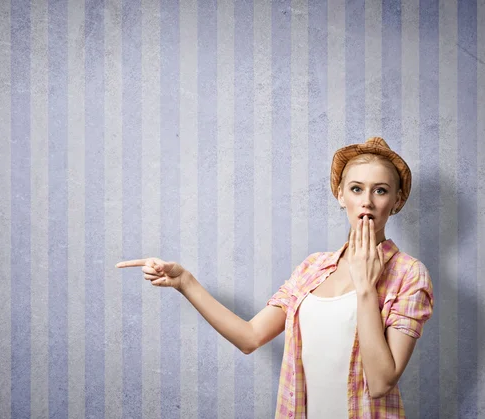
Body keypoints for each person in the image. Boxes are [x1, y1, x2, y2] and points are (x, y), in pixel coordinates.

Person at [116, 137, 434, 418]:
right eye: (356, 189)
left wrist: (366, 288)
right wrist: (185, 281)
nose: (366, 201)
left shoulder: (409, 273)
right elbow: (250, 337)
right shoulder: (313, 267)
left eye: (380, 190)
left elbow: (380, 382)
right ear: (340, 195)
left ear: (397, 202)